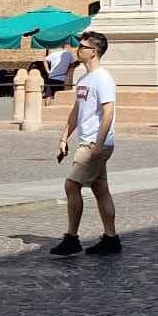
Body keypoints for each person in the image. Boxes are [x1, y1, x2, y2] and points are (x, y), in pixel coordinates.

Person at [51, 31, 120, 256]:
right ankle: (111, 239)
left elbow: (108, 112)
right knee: (101, 190)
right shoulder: (83, 79)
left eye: (82, 46)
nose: (77, 49)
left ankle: (72, 238)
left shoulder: (103, 78)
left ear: (94, 52)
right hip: (87, 141)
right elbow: (76, 111)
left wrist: (98, 143)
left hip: (94, 144)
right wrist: (64, 137)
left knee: (71, 185)